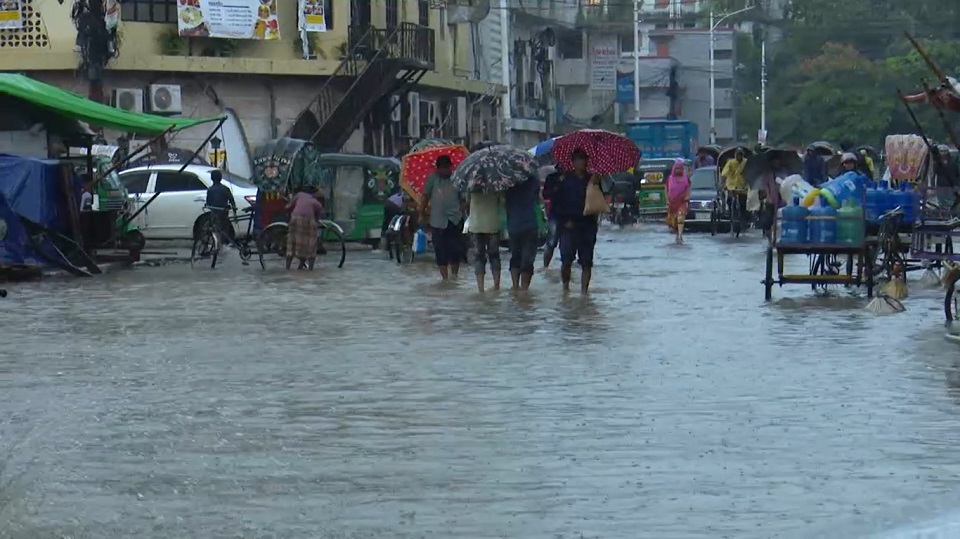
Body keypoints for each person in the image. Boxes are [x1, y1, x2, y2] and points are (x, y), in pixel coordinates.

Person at [542, 148, 602, 294]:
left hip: (587, 225)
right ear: (573, 162)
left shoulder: (591, 179)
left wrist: (597, 181)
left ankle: (584, 292)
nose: (581, 163)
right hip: (568, 225)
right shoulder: (564, 179)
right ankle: (565, 288)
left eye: (583, 160)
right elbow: (554, 202)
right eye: (578, 160)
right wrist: (564, 221)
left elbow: (598, 201)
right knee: (566, 260)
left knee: (587, 262)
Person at [423, 154, 465, 280]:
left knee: (455, 251)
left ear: (450, 167)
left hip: (455, 220)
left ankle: (455, 276)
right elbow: (425, 196)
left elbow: (464, 199)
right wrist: (421, 212)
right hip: (437, 221)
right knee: (440, 251)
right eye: (441, 168)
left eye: (446, 168)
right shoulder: (432, 179)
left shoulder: (457, 179)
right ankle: (445, 279)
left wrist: (461, 211)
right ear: (437, 168)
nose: (444, 171)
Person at [505, 173, 541, 291]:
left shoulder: (507, 181)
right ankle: (524, 290)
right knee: (528, 259)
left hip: (514, 224)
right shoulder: (533, 181)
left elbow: (503, 201)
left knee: (515, 256)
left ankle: (515, 287)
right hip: (529, 223)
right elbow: (537, 199)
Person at [466, 189, 501, 292]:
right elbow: (501, 202)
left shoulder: (472, 188)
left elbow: (467, 204)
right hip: (493, 225)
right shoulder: (496, 187)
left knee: (479, 257)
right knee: (494, 256)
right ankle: (496, 286)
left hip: (476, 225)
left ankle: (480, 289)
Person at [285, 185, 324, 270]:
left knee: (292, 243)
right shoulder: (316, 202)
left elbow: (289, 206)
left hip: (296, 220)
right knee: (310, 244)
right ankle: (310, 269)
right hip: (309, 221)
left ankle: (287, 267)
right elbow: (320, 213)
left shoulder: (299, 195)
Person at [205, 169, 237, 241]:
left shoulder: (210, 190)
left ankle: (218, 243)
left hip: (215, 212)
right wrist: (234, 209)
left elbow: (208, 202)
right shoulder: (225, 189)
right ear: (221, 178)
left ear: (212, 178)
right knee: (225, 228)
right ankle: (226, 241)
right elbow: (232, 200)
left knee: (216, 229)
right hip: (224, 212)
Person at [665, 158, 691, 244]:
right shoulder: (670, 179)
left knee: (681, 217)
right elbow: (666, 189)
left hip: (682, 201)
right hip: (672, 202)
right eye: (676, 168)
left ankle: (680, 235)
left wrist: (687, 197)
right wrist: (667, 200)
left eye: (679, 168)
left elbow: (688, 188)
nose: (678, 170)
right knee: (674, 222)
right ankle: (677, 234)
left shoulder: (686, 178)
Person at [721, 148, 748, 223]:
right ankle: (731, 213)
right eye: (738, 154)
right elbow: (724, 174)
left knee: (743, 203)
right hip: (731, 185)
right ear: (735, 155)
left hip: (743, 185)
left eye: (740, 154)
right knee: (729, 200)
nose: (739, 156)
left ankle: (743, 218)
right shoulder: (730, 162)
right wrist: (722, 184)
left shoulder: (746, 162)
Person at [541, 168, 561, 268]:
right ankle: (545, 267)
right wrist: (555, 189)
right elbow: (545, 194)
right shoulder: (552, 178)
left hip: (573, 215)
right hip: (555, 214)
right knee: (551, 243)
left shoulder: (577, 177)